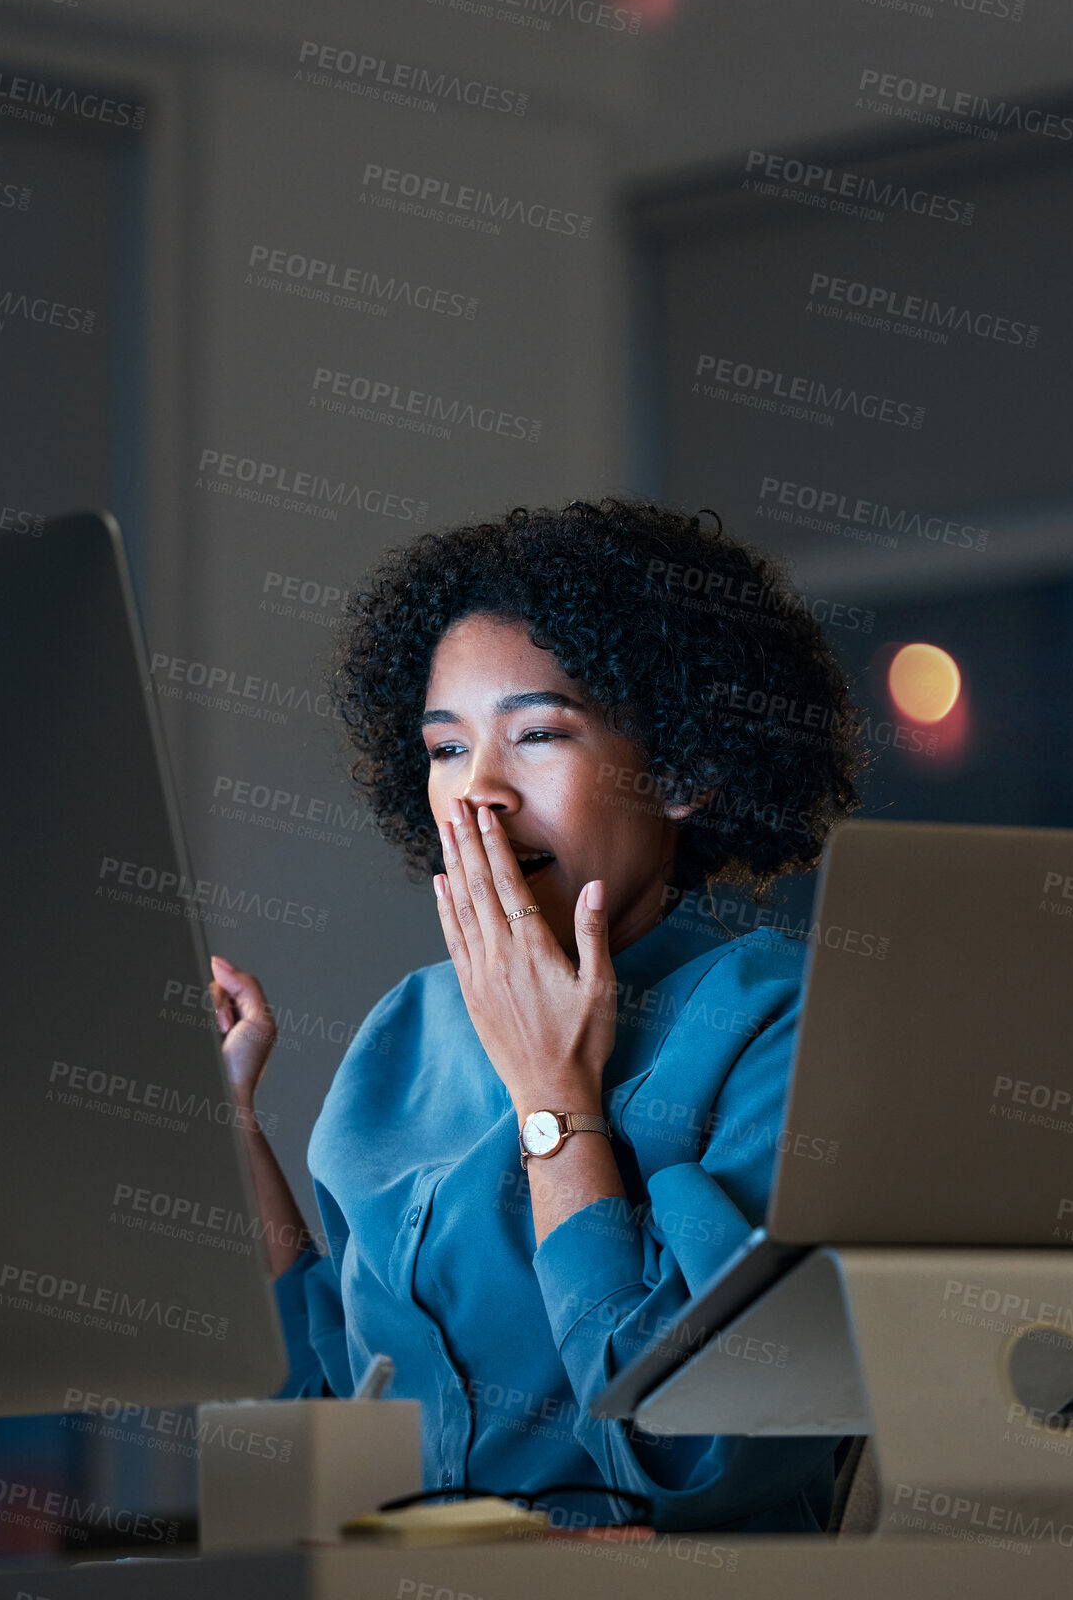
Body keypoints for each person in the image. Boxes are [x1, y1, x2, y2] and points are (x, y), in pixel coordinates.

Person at [209, 497, 865, 1532]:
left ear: (683, 767)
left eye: (538, 735)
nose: (476, 792)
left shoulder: (779, 1024)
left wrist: (553, 1097)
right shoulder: (403, 1034)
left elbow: (695, 1462)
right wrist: (229, 1127)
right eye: (442, 748)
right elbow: (325, 1429)